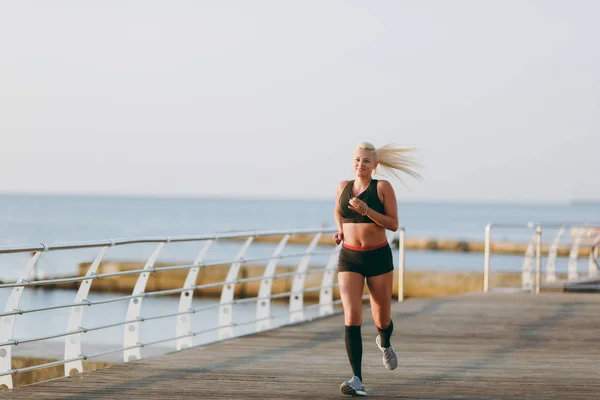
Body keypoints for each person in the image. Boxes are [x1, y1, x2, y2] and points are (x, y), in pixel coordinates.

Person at [333, 141, 422, 396]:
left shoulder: (382, 188)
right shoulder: (342, 187)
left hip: (378, 258)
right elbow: (338, 212)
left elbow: (393, 224)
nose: (360, 164)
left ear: (375, 165)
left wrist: (367, 210)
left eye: (366, 161)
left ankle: (384, 341)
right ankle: (357, 379)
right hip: (349, 257)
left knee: (381, 318)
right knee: (351, 317)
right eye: (357, 160)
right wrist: (340, 230)